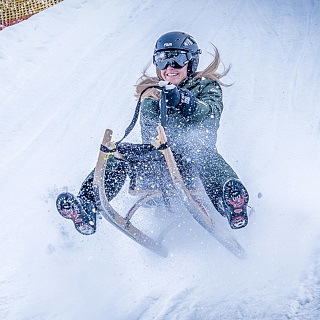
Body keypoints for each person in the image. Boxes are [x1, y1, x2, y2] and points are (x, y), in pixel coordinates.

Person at [56, 31, 249, 235]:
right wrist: (162, 102)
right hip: (157, 169)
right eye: (163, 61)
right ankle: (87, 205)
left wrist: (183, 101)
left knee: (199, 149)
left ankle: (230, 201)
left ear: (191, 62)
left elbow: (210, 114)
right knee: (119, 153)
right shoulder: (152, 94)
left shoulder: (206, 86)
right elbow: (150, 134)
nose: (169, 68)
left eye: (177, 60)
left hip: (192, 168)